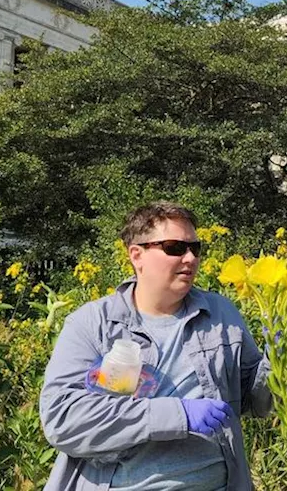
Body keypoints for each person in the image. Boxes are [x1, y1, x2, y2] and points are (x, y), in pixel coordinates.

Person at [39, 201, 271, 490]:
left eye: (195, 248)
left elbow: (255, 402)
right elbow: (63, 421)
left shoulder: (221, 314)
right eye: (175, 247)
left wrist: (277, 359)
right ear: (137, 255)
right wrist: (177, 415)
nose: (190, 258)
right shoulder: (91, 324)